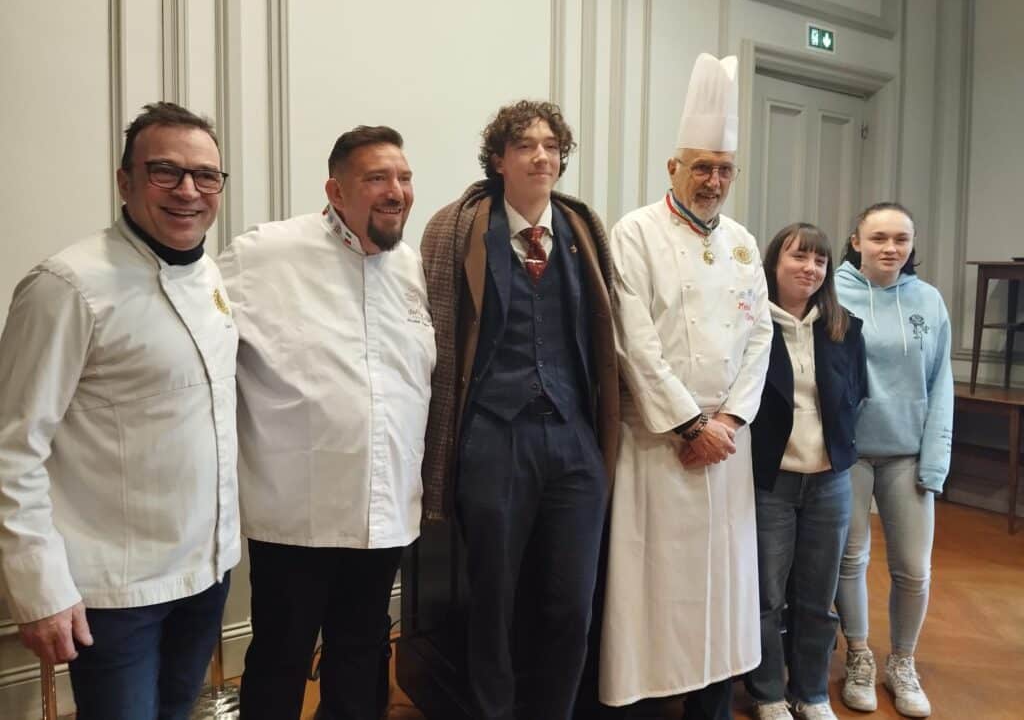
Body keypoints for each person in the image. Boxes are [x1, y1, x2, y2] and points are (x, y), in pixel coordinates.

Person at [0, 101, 238, 719]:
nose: (189, 190)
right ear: (125, 180)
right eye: (165, 171)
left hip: (206, 572)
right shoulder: (66, 286)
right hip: (114, 589)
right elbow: (12, 447)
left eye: (205, 175)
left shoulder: (210, 274)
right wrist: (38, 588)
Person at [217, 125, 435, 720]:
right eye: (377, 178)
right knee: (282, 656)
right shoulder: (265, 253)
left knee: (364, 651)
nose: (396, 191)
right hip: (297, 513)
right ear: (336, 191)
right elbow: (198, 342)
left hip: (384, 508)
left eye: (404, 177)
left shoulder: (410, 269)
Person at [419, 100, 619, 720]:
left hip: (573, 441)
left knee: (571, 604)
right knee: (492, 602)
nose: (542, 156)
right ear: (499, 160)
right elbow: (433, 333)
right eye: (526, 146)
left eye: (552, 146)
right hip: (492, 438)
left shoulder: (584, 230)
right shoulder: (456, 228)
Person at [599, 53, 772, 720]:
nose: (714, 179)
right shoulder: (635, 233)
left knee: (723, 585)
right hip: (658, 443)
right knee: (654, 588)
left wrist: (729, 422)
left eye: (724, 168)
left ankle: (710, 704)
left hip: (727, 446)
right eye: (701, 165)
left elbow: (760, 338)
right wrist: (688, 424)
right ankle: (644, 706)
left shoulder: (743, 243)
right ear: (673, 166)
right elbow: (631, 341)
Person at [834, 202, 953, 719]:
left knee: (913, 568)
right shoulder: (833, 292)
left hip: (907, 454)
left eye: (901, 239)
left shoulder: (928, 300)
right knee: (849, 560)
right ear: (857, 241)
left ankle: (901, 662)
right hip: (850, 454)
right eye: (879, 237)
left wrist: (935, 460)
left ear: (911, 245)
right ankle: (858, 655)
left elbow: (941, 384)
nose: (891, 248)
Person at [744, 223, 867, 720]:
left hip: (830, 481)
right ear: (774, 263)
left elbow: (856, 394)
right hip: (770, 480)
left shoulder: (844, 327)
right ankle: (768, 691)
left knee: (818, 595)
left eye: (819, 261)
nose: (810, 269)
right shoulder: (750, 323)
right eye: (799, 258)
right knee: (768, 595)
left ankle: (812, 691)